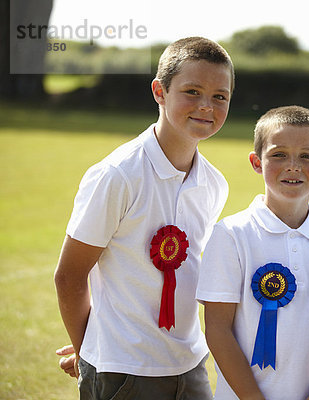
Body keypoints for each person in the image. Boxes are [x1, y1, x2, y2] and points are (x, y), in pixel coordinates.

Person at [53, 36, 234, 399]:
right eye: (192, 91)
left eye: (219, 96)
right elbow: (70, 276)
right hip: (123, 371)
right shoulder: (117, 175)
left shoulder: (215, 184)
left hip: (190, 364)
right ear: (159, 92)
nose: (206, 106)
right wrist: (90, 350)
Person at [196, 105, 309, 400]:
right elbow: (218, 331)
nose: (293, 166)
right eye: (278, 154)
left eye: (307, 156)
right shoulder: (232, 234)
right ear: (256, 162)